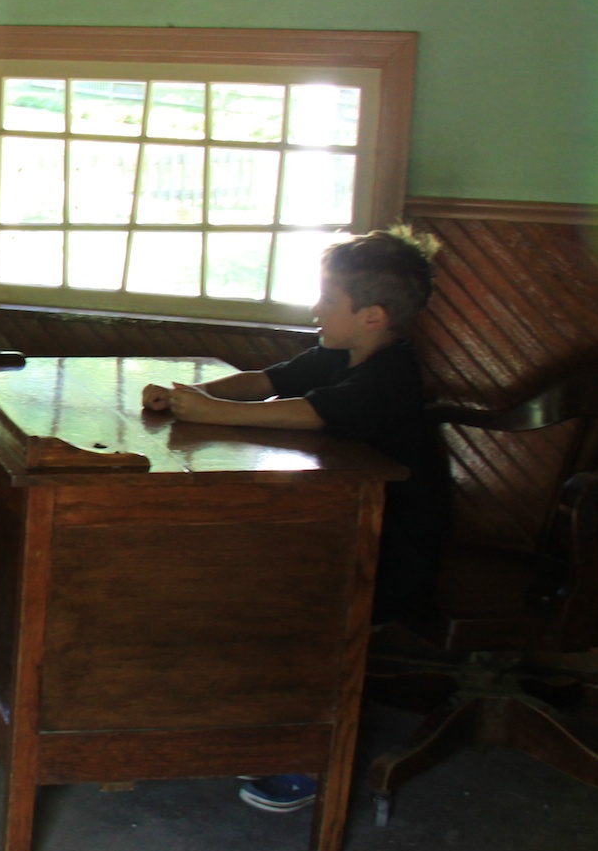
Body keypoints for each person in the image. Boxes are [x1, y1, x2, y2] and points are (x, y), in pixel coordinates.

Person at [140, 227, 449, 816]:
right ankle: (248, 716)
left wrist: (212, 412)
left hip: (391, 550)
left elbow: (305, 414)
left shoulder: (388, 376)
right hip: (342, 527)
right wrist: (189, 395)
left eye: (327, 300)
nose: (315, 310)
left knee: (293, 603)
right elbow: (266, 382)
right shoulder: (339, 353)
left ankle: (306, 757)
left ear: (372, 317)